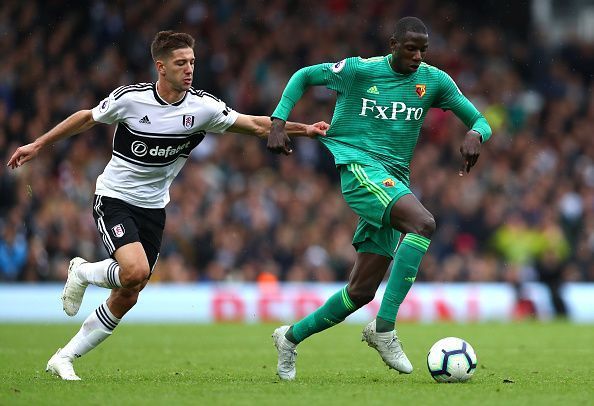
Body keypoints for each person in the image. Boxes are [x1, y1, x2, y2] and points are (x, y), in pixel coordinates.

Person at [7, 30, 328, 381]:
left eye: (192, 62)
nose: (189, 69)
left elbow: (254, 125)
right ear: (161, 67)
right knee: (135, 272)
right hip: (115, 198)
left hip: (154, 208)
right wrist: (38, 144)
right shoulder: (132, 99)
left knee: (129, 294)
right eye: (180, 63)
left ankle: (64, 356)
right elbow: (86, 117)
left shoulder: (203, 107)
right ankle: (82, 272)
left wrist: (306, 129)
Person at [267, 16, 492, 380]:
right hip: (359, 167)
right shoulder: (359, 71)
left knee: (359, 291)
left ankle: (289, 338)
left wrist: (476, 135)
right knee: (423, 222)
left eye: (423, 49)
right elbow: (304, 76)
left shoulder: (434, 81)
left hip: (393, 179)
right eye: (410, 48)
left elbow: (480, 119)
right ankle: (384, 327)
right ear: (392, 45)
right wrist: (278, 122)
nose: (418, 55)